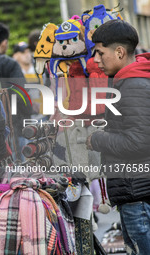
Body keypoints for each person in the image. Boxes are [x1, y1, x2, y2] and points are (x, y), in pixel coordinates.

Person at [86, 19, 150, 255]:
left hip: (138, 194)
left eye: (101, 53)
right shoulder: (129, 80)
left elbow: (139, 141)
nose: (96, 60)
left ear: (120, 52)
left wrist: (97, 140)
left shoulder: (132, 85)